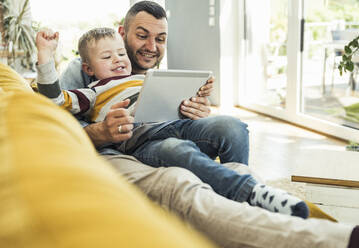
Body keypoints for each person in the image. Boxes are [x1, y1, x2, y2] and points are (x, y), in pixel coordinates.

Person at [35, 1, 359, 247]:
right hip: (135, 145)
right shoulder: (88, 72)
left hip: (169, 130)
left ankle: (246, 199)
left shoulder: (148, 71)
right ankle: (243, 203)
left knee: (230, 127)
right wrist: (98, 130)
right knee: (180, 152)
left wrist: (195, 109)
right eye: (142, 36)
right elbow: (56, 115)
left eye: (160, 39)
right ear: (123, 32)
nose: (151, 47)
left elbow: (176, 112)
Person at [37, 26, 309, 218]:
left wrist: (195, 98)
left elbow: (181, 106)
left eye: (120, 54)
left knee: (232, 127)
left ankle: (240, 206)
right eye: (106, 57)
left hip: (176, 124)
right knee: (177, 150)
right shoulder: (93, 90)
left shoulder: (147, 77)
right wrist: (46, 56)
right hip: (143, 140)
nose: (118, 60)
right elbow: (55, 99)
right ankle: (249, 192)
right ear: (88, 68)